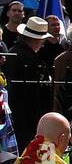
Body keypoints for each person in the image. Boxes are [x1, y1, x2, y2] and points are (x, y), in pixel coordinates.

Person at [7, 17, 58, 149]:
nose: (43, 43)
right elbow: (36, 91)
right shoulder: (30, 59)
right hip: (28, 117)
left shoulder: (13, 52)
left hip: (15, 115)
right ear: (36, 39)